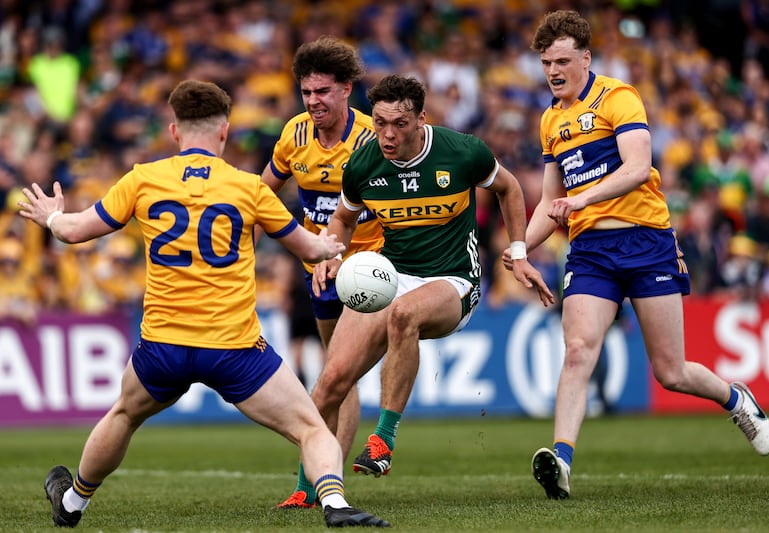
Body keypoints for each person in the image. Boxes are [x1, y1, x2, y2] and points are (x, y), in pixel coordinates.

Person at [18, 79, 388, 528]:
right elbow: (310, 250)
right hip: (233, 348)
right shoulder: (248, 188)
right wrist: (336, 243)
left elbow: (73, 232)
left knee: (123, 415)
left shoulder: (143, 178)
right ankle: (334, 504)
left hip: (163, 346)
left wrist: (52, 215)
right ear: (225, 131)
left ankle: (74, 502)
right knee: (310, 427)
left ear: (174, 132)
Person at [505, 10, 769, 501]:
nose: (553, 71)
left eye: (562, 60)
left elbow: (637, 167)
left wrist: (582, 199)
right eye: (546, 62)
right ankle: (561, 460)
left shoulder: (618, 97)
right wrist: (520, 246)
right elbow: (550, 202)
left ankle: (736, 399)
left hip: (646, 241)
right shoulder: (550, 119)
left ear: (586, 58)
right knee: (579, 350)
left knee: (670, 372)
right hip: (590, 251)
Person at [274, 73, 554, 504]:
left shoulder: (461, 152)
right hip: (392, 275)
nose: (388, 134)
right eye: (381, 123)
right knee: (330, 382)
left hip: (454, 279)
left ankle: (383, 442)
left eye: (400, 124)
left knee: (405, 313)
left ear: (421, 118)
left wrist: (519, 254)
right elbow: (344, 219)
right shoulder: (365, 164)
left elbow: (509, 188)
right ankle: (305, 487)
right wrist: (330, 251)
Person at [260, 35, 382, 509]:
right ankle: (321, 478)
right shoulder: (294, 135)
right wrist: (303, 245)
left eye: (322, 92)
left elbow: (395, 203)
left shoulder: (374, 136)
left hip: (372, 267)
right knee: (336, 369)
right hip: (321, 268)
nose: (313, 102)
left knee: (338, 370)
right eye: (306, 93)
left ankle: (318, 481)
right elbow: (262, 193)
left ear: (346, 89)